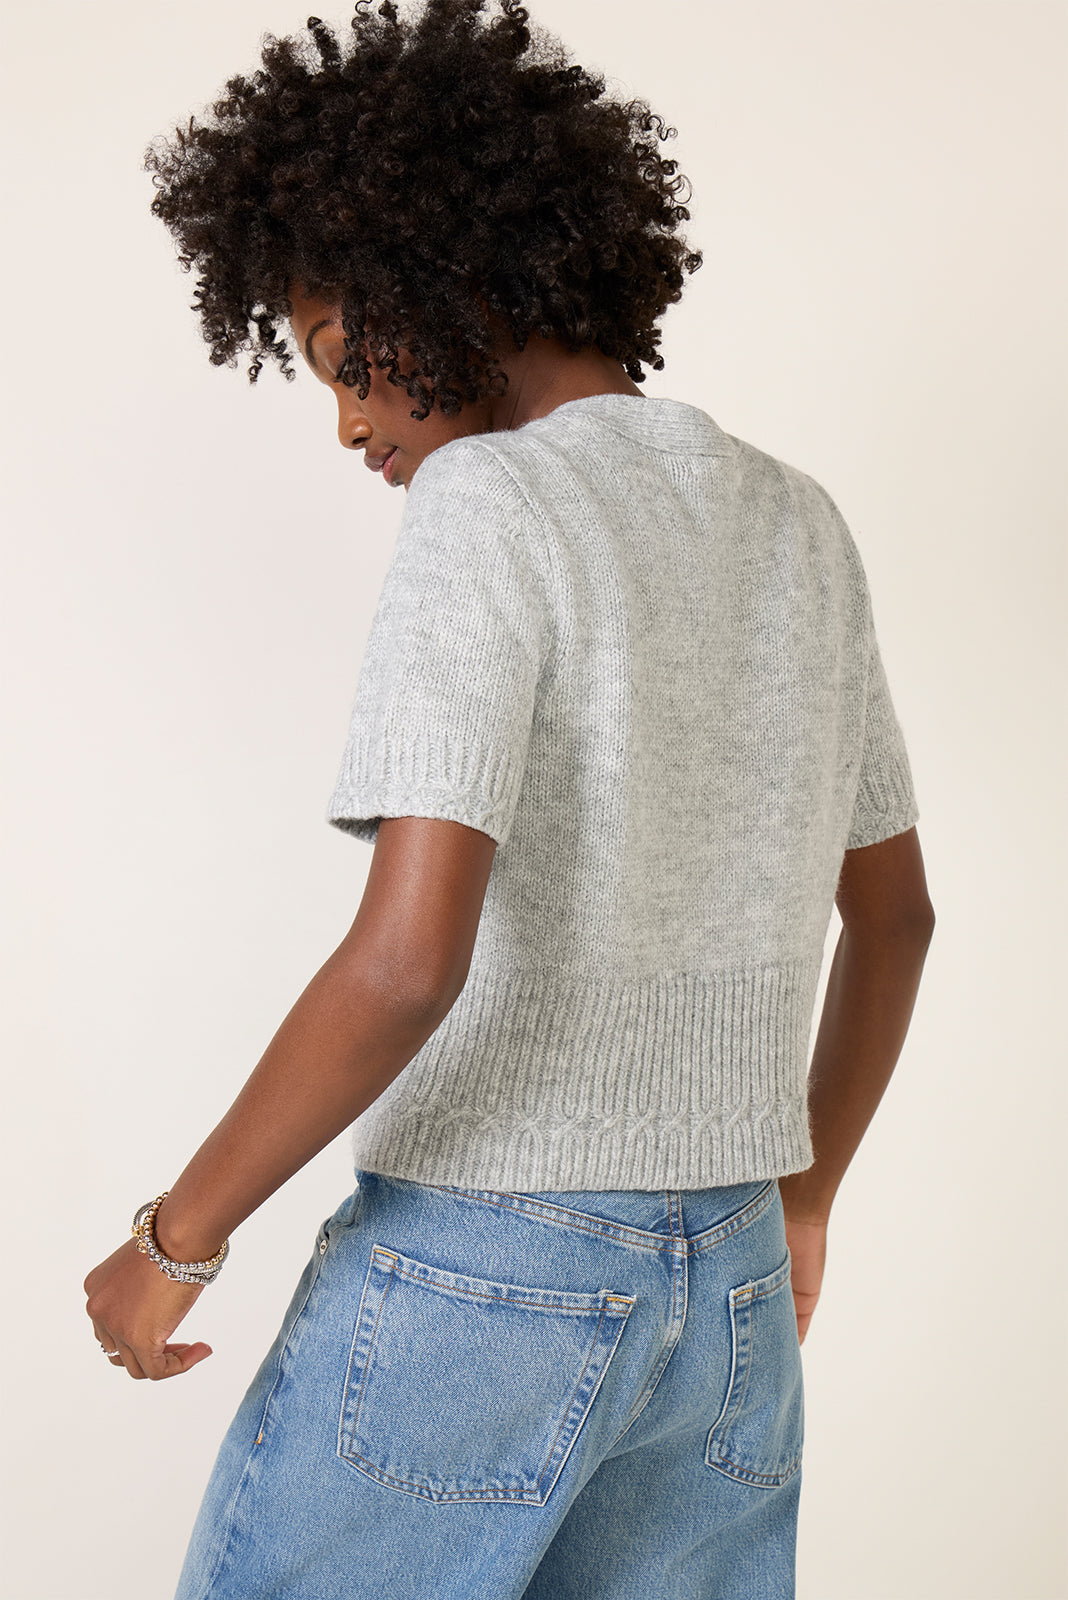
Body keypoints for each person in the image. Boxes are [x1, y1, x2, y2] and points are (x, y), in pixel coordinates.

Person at [82, 2, 936, 1596]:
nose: (349, 423)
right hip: (736, 1288)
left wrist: (172, 1241)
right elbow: (895, 919)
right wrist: (803, 1201)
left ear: (444, 276)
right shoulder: (796, 520)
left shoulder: (490, 499)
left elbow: (409, 964)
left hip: (489, 1271)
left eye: (343, 361)